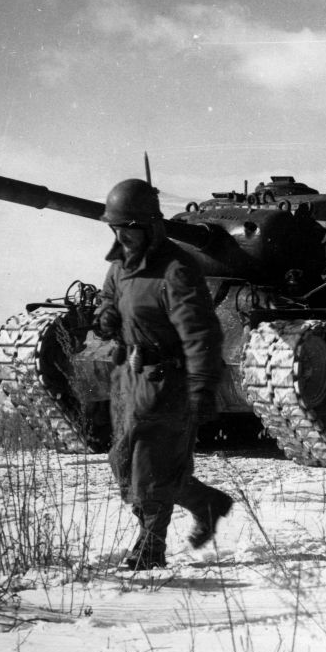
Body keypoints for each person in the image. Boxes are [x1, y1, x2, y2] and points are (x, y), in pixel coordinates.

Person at [94, 178, 234, 570]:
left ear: (151, 226)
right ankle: (208, 503)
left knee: (150, 469)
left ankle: (150, 547)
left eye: (130, 228)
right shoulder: (120, 265)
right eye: (116, 228)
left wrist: (203, 387)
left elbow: (199, 332)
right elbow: (109, 299)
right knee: (124, 462)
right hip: (129, 378)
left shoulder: (176, 270)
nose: (123, 236)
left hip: (166, 380)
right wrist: (106, 316)